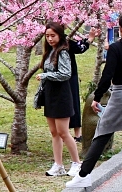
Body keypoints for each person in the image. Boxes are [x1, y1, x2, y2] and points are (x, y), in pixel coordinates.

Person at [67, 15, 122, 188]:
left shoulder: (116, 48)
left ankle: (84, 174)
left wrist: (97, 97)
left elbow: (107, 76)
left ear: (120, 28)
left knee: (103, 131)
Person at [37, 22, 81, 177]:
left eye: (53, 36)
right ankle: (58, 164)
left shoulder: (63, 52)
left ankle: (76, 163)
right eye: (47, 36)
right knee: (54, 132)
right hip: (50, 94)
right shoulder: (50, 51)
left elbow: (65, 73)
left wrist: (45, 75)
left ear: (60, 35)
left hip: (61, 95)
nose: (50, 39)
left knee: (63, 132)